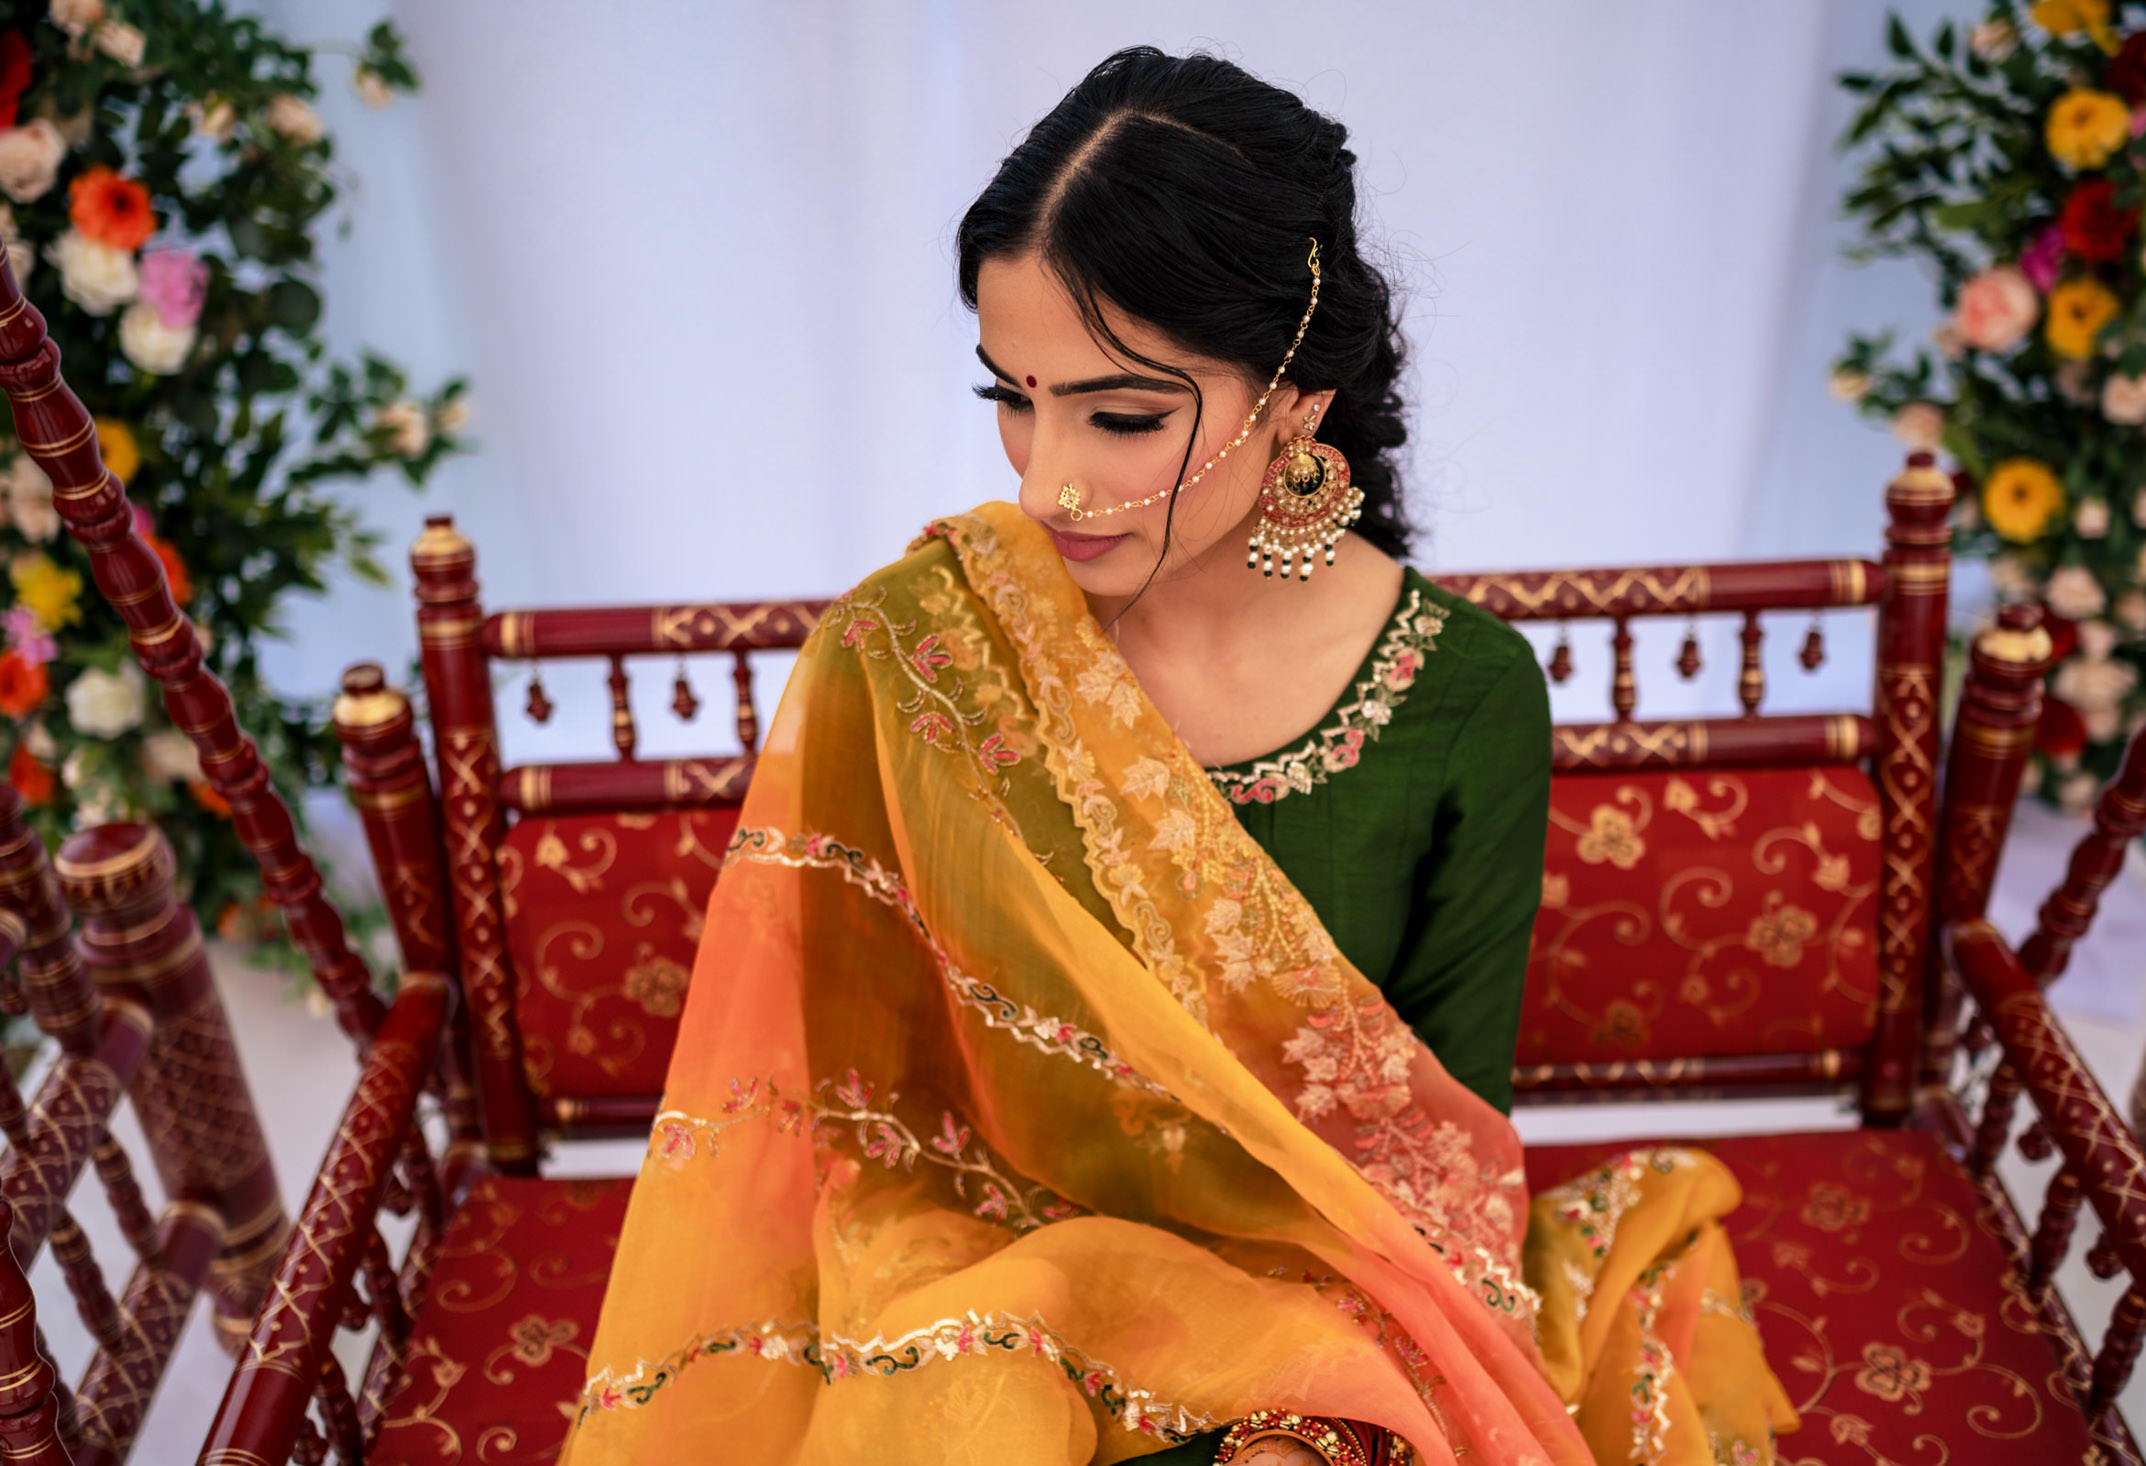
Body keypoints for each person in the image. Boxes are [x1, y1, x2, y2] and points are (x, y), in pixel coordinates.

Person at [561, 47, 1793, 1466]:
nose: (1043, 481)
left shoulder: (1464, 697)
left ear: (1299, 400)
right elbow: (866, 1136)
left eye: (1123, 414)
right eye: (1011, 397)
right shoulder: (924, 657)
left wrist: (1299, 1412)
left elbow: (1439, 1160)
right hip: (979, 1309)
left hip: (1329, 1327)